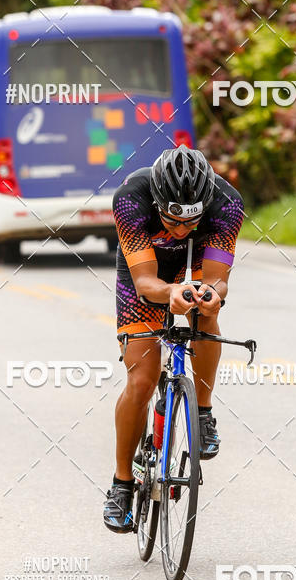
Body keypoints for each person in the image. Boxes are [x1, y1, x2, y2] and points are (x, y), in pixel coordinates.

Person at [103, 145, 244, 533]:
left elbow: (218, 279)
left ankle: (202, 410)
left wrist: (211, 294)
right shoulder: (131, 198)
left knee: (206, 310)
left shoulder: (226, 205)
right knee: (142, 378)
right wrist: (169, 294)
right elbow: (146, 283)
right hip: (147, 264)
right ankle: (122, 484)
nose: (180, 229)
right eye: (172, 219)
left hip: (198, 262)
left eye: (189, 221)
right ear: (157, 203)